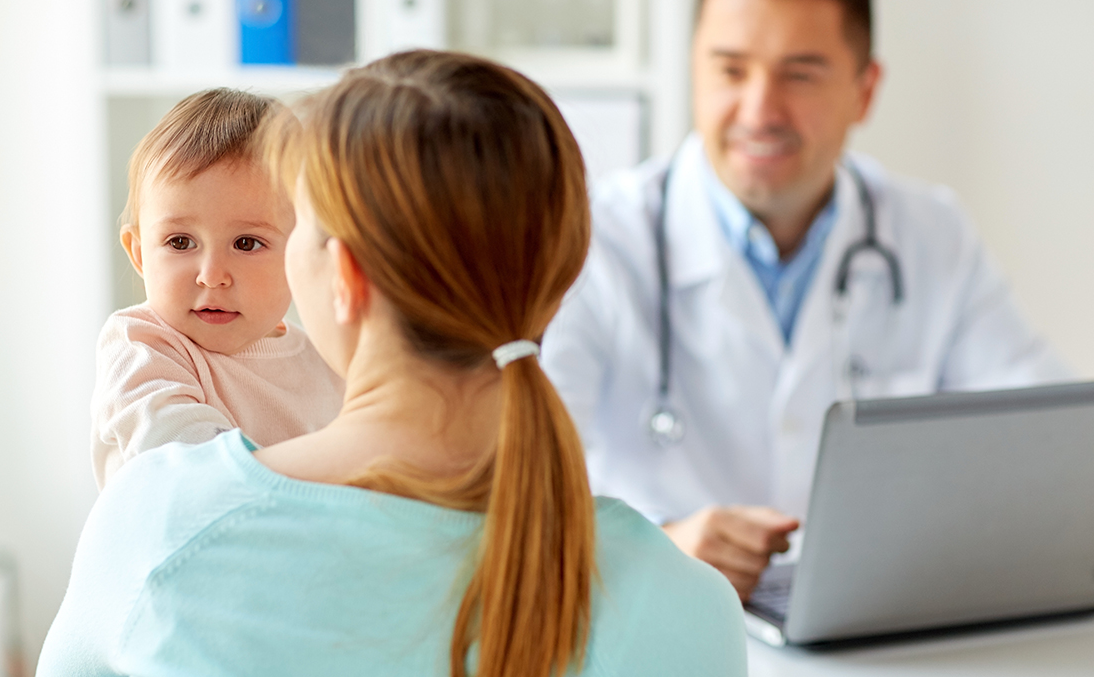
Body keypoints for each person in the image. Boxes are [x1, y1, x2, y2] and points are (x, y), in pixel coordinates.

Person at [38, 51, 747, 676]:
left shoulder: (160, 531)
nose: (215, 272)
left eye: (274, 238)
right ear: (554, 288)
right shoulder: (689, 605)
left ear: (342, 276)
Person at [541, 0, 1071, 600]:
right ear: (695, 73)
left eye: (800, 75)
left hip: (876, 623)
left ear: (865, 90)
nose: (760, 111)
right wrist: (657, 546)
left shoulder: (931, 234)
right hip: (667, 628)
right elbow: (521, 488)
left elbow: (1050, 443)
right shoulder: (594, 239)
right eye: (731, 71)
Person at [91, 88, 343, 489]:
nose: (211, 275)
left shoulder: (327, 360)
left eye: (246, 243)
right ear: (139, 254)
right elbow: (195, 468)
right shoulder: (142, 346)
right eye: (180, 242)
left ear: (300, 253)